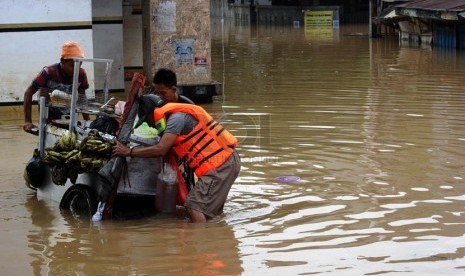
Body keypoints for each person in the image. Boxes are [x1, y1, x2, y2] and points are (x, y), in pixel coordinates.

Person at [112, 94, 241, 223]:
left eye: (147, 119)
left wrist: (128, 152)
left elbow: (161, 149)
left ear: (154, 112)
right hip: (226, 161)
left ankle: (200, 240)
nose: (149, 124)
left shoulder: (176, 119)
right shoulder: (175, 117)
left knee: (194, 206)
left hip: (220, 165)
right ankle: (218, 235)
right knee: (210, 211)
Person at [23, 41, 89, 133]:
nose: (76, 69)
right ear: (62, 61)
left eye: (80, 65)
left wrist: (87, 122)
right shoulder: (48, 72)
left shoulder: (81, 74)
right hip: (48, 117)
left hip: (69, 117)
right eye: (72, 66)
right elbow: (28, 92)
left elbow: (82, 98)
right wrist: (27, 121)